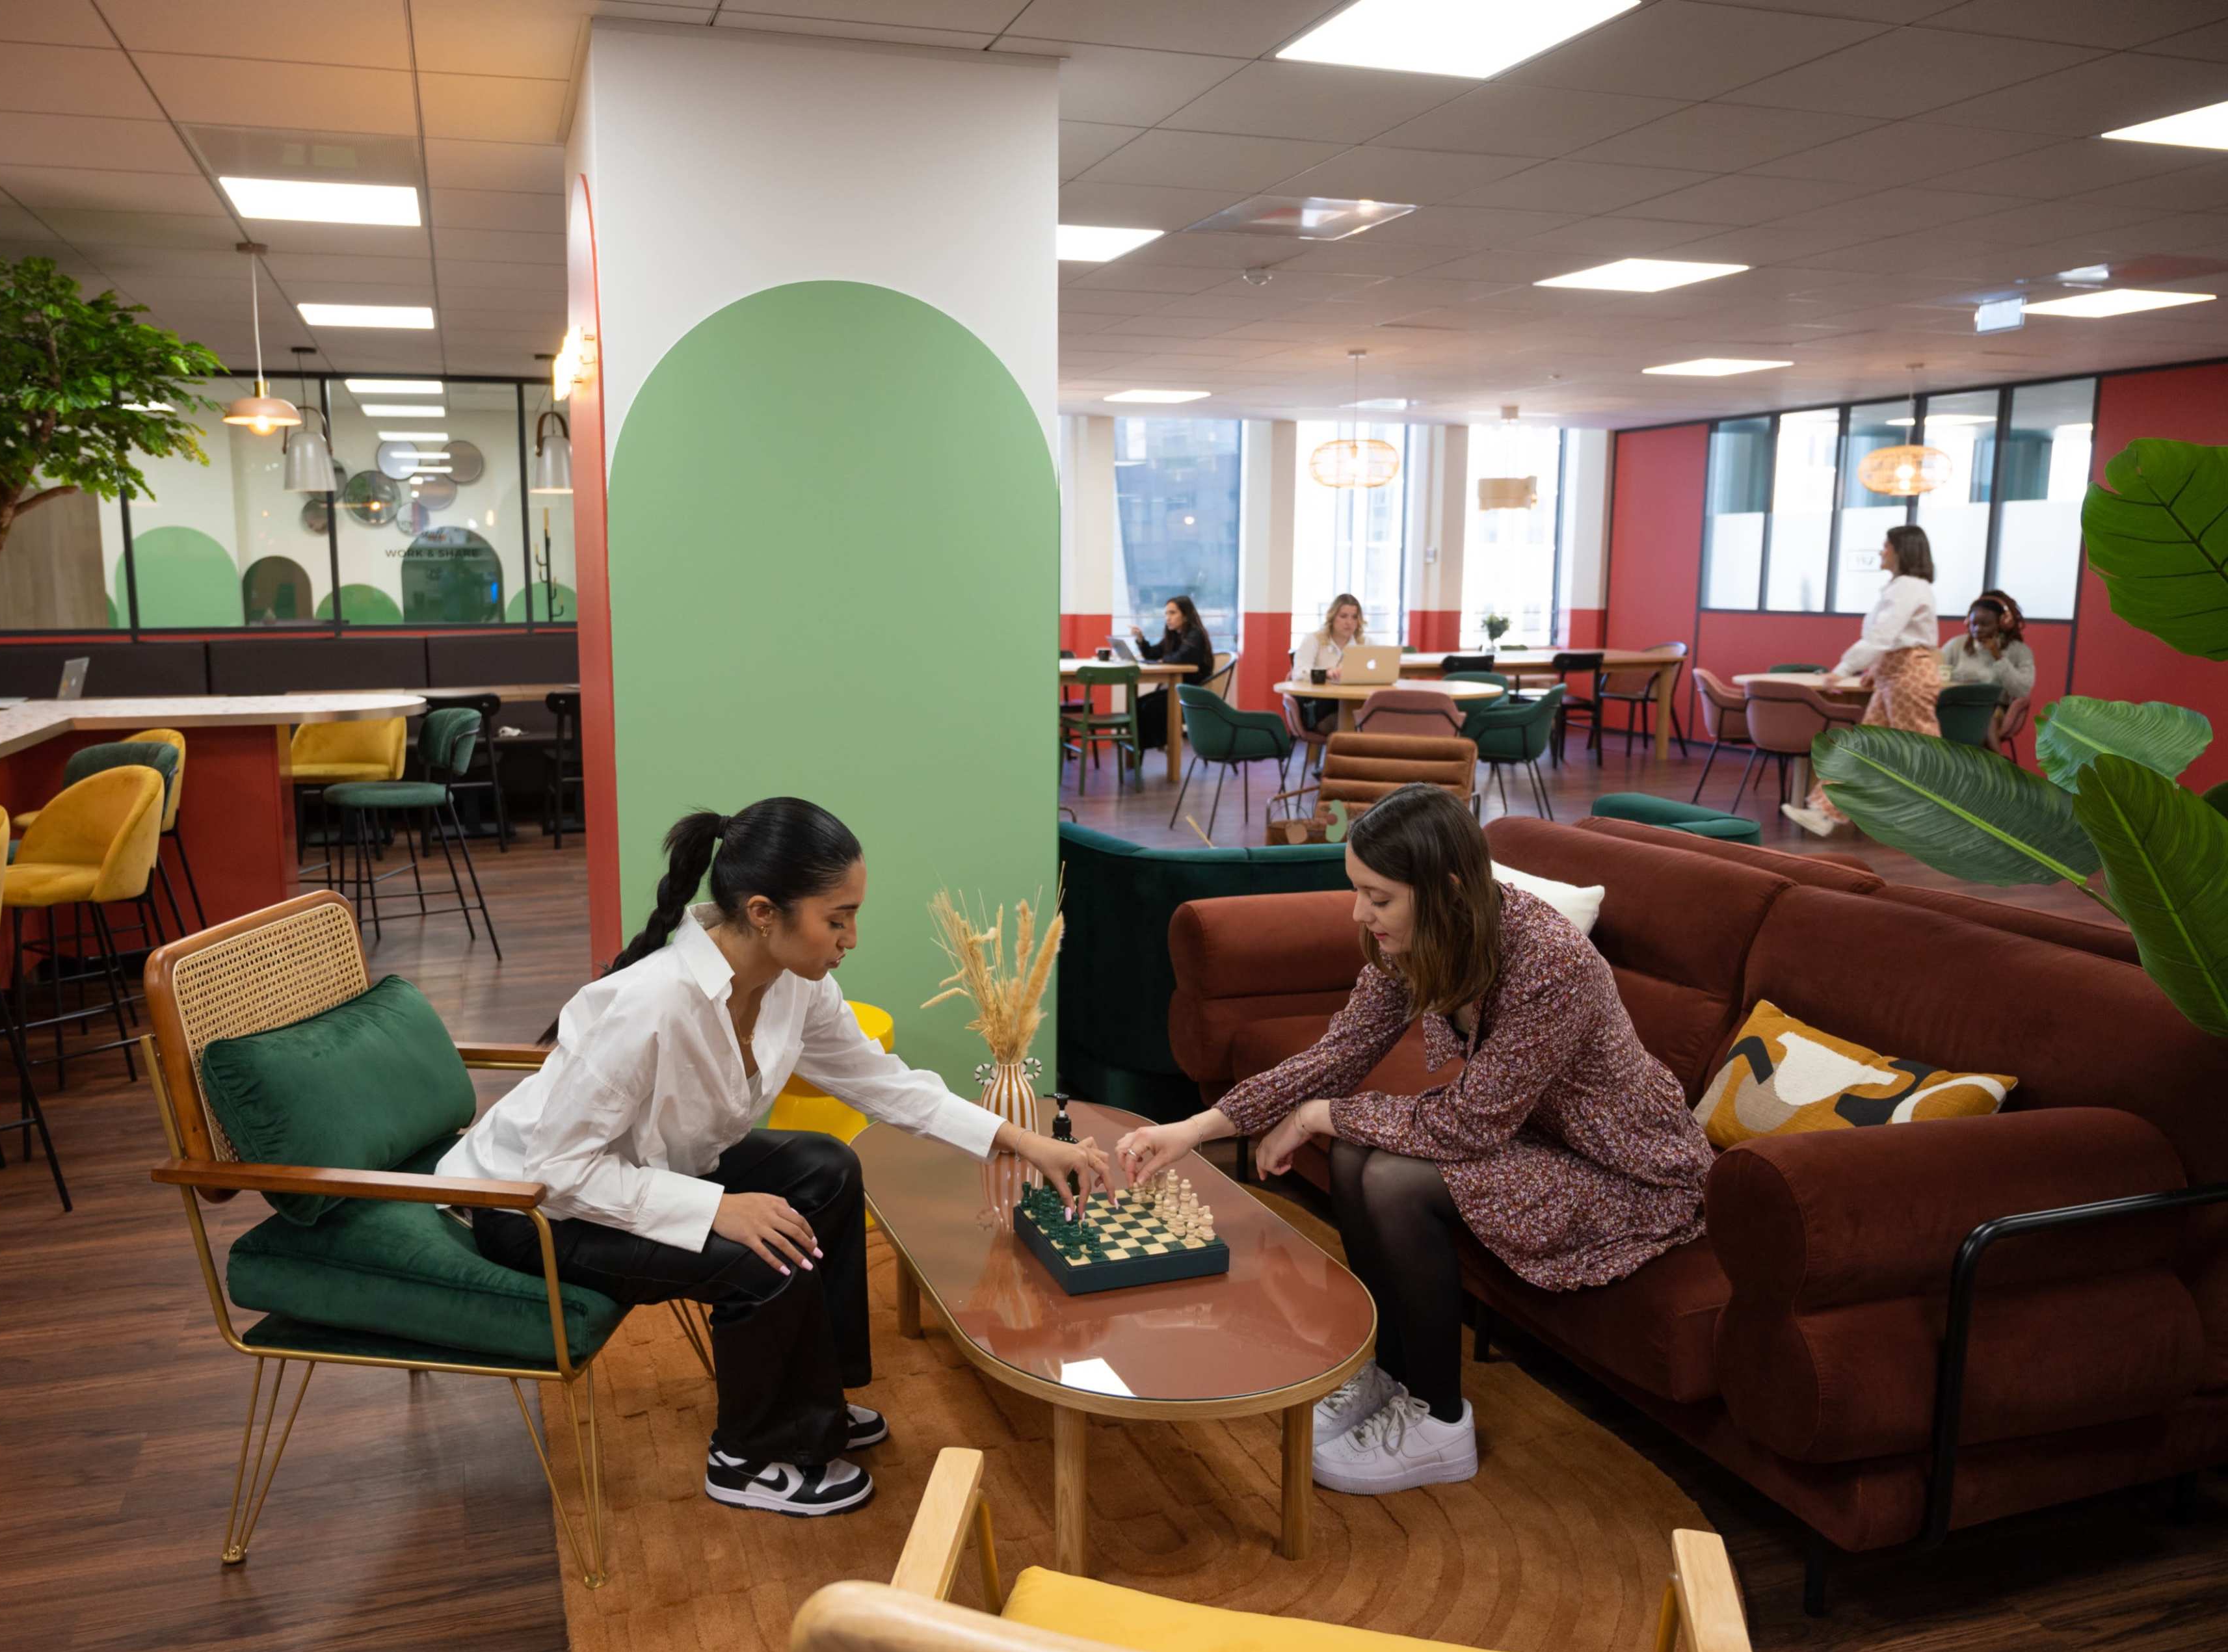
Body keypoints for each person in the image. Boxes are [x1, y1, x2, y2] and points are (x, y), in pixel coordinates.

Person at [444, 797, 1109, 1517]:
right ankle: (748, 1451)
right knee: (763, 1249)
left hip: (640, 1171)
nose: (851, 936)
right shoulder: (653, 1004)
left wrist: (1025, 1139)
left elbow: (884, 1083)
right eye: (837, 917)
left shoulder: (795, 985)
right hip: (531, 1207)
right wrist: (718, 1209)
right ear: (765, 912)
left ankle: (815, 1396)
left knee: (825, 1165)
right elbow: (559, 1170)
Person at [1113, 786, 1710, 1497]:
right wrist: (1197, 1127)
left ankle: (1441, 1422)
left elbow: (1468, 1126)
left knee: (1391, 1175)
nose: (1359, 913)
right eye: (1357, 890)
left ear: (1447, 887)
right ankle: (1390, 1374)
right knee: (1356, 1153)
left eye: (1378, 896)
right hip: (1539, 1139)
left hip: (1631, 1173)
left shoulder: (1550, 960)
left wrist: (1312, 1116)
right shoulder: (1425, 937)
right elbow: (1337, 1053)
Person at [1781, 524, 1940, 839]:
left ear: (1901, 551)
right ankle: (1824, 812)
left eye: (1886, 546)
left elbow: (1882, 636)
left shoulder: (1908, 586)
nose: (1882, 551)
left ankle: (1951, 823)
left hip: (1910, 676)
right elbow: (1890, 641)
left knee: (1926, 757)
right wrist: (1874, 669)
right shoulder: (1903, 586)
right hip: (1894, 675)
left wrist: (1843, 669)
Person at [1131, 594, 1214, 759]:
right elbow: (1153, 653)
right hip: (1176, 689)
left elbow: (1181, 658)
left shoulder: (1195, 634)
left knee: (1148, 707)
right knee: (1138, 703)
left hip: (1190, 693)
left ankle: (1159, 742)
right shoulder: (1174, 635)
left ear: (1185, 614)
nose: (1168, 618)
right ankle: (1148, 745)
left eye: (1172, 613)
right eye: (1166, 614)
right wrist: (1141, 640)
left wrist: (1163, 660)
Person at [1940, 588, 2035, 709]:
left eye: (1985, 624)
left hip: (1992, 710)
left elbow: (2022, 691)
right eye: (1974, 624)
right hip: (1954, 706)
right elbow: (1934, 674)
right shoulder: (1956, 644)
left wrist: (1998, 657)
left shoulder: (2020, 651)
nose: (1978, 629)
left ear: (2003, 623)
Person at [1291, 593, 1365, 731]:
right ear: (1332, 617)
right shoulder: (1314, 640)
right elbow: (1299, 674)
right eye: (1343, 616)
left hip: (1353, 705)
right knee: (1350, 723)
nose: (1349, 622)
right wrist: (1325, 674)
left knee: (1373, 719)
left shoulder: (1364, 644)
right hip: (1318, 709)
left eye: (1354, 617)